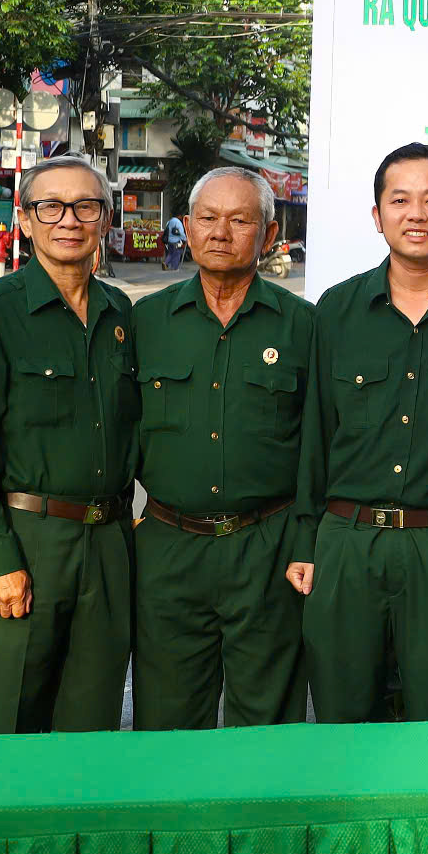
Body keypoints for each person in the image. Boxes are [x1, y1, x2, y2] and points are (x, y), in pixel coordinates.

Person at [294, 144, 428, 721]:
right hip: (346, 544)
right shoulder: (336, 310)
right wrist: (303, 543)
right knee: (341, 714)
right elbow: (315, 433)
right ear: (377, 215)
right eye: (400, 200)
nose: (417, 214)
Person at [0, 155, 140, 733]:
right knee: (8, 717)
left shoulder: (119, 312)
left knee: (93, 717)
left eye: (86, 206)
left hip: (107, 541)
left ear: (105, 219)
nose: (69, 220)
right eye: (50, 206)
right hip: (25, 539)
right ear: (26, 222)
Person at [129, 167, 318, 728]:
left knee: (267, 719)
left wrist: (305, 541)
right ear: (186, 228)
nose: (220, 232)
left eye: (240, 220)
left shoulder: (303, 327)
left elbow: (317, 446)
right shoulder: (144, 322)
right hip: (169, 546)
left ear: (268, 233)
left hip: (268, 546)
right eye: (207, 218)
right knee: (166, 721)